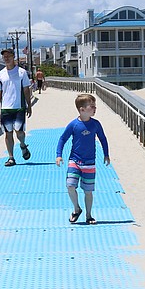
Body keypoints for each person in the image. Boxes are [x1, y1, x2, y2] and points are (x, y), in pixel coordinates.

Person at [56, 93, 110, 225]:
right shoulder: (74, 125)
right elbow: (63, 139)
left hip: (89, 163)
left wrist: (106, 154)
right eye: (92, 107)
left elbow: (103, 139)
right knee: (70, 185)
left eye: (95, 106)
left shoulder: (96, 124)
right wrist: (59, 155)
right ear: (82, 109)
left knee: (88, 191)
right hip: (74, 160)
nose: (95, 109)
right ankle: (76, 209)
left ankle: (89, 215)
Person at [0, 48, 32, 166]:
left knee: (19, 132)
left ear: (13, 56)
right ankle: (11, 158)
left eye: (8, 55)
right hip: (6, 108)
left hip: (19, 107)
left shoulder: (22, 72)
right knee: (8, 133)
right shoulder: (0, 74)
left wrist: (29, 105)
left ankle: (22, 145)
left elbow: (26, 90)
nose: (6, 58)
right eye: (4, 56)